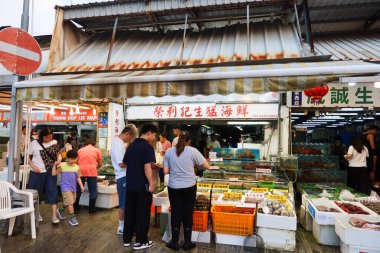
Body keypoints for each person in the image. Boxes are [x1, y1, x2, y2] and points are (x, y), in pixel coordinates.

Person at [163, 131, 210, 251]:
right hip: (189, 187)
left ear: (178, 139)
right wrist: (194, 165)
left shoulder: (169, 152)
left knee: (176, 213)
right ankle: (187, 242)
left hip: (174, 187)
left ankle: (174, 242)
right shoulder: (193, 151)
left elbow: (165, 171)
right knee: (187, 213)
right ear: (189, 141)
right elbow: (206, 166)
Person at [122, 124, 157, 250]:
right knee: (142, 213)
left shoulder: (131, 146)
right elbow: (147, 167)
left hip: (130, 185)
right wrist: (152, 183)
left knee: (130, 212)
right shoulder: (147, 147)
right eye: (154, 135)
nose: (154, 138)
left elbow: (124, 163)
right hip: (142, 186)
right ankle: (141, 241)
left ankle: (127, 239)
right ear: (149, 133)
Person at [28, 128, 61, 223]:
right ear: (41, 136)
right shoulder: (34, 144)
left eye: (50, 137)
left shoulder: (54, 142)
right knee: (36, 192)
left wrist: (58, 160)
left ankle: (54, 215)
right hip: (37, 171)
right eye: (46, 137)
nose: (49, 139)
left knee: (52, 190)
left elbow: (58, 154)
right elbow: (28, 157)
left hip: (51, 171)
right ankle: (37, 213)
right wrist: (33, 166)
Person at [110, 124, 137, 235]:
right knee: (123, 204)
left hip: (124, 176)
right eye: (131, 137)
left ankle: (125, 225)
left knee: (126, 203)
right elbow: (121, 164)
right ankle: (121, 227)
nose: (130, 140)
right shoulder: (118, 143)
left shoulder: (119, 143)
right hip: (122, 176)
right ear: (127, 133)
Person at [52, 150, 85, 226]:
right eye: (71, 159)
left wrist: (81, 186)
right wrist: (54, 165)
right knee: (70, 202)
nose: (73, 160)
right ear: (67, 158)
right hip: (65, 187)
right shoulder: (62, 165)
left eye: (75, 159)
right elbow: (54, 173)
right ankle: (72, 218)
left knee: (70, 202)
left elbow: (78, 177)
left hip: (73, 187)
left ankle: (60, 210)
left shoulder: (77, 167)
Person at [76, 140, 103, 213]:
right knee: (93, 191)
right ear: (93, 145)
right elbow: (100, 164)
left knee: (78, 189)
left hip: (80, 171)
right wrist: (95, 167)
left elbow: (75, 162)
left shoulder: (80, 150)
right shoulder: (97, 150)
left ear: (85, 144)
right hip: (92, 171)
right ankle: (91, 209)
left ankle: (75, 208)